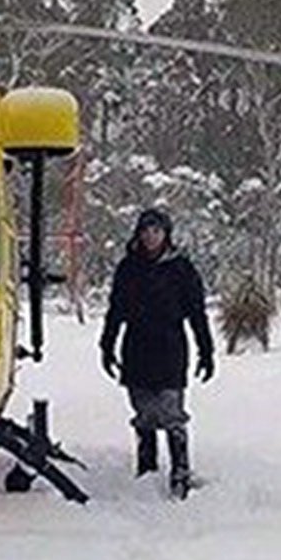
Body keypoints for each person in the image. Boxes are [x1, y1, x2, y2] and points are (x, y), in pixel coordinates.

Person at [99, 206, 215, 498]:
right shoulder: (128, 268)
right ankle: (146, 470)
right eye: (146, 231)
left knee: (171, 411)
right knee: (144, 412)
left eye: (157, 231)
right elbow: (116, 310)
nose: (151, 237)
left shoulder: (181, 269)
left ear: (166, 235)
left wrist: (206, 351)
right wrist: (107, 344)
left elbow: (197, 313)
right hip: (136, 348)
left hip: (170, 348)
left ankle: (180, 471)